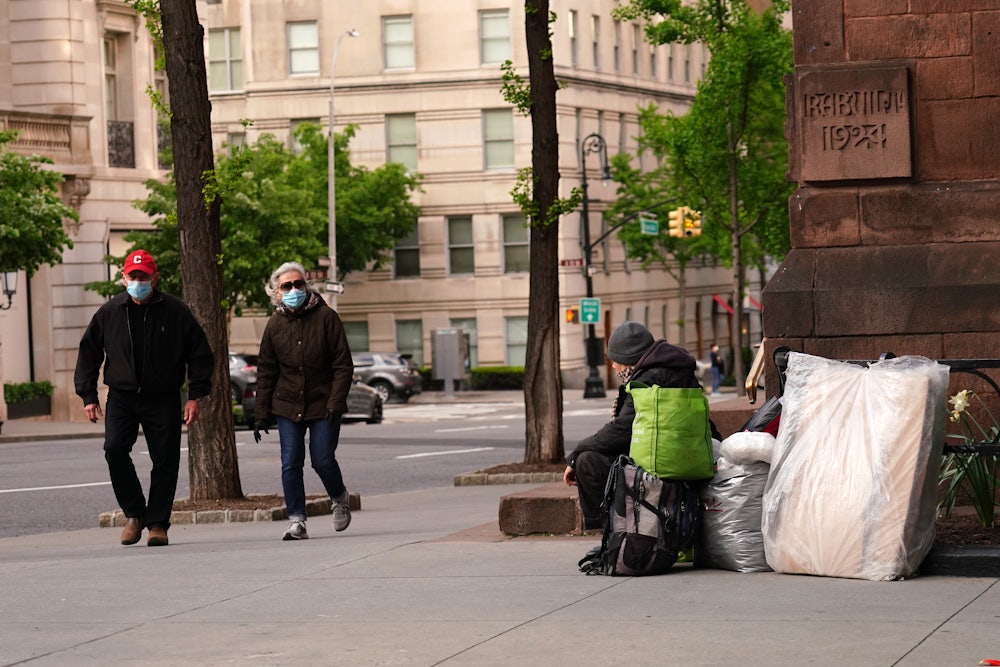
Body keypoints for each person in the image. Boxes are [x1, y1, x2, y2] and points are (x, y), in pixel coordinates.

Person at [75, 249, 213, 547]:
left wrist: (195, 395)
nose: (139, 281)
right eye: (133, 276)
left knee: (165, 459)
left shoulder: (176, 311)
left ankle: (158, 524)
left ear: (155, 277)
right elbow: (88, 353)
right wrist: (88, 395)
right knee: (114, 449)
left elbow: (200, 354)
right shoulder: (110, 312)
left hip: (162, 397)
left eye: (144, 277)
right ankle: (135, 514)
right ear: (124, 278)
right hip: (122, 396)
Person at [563, 321, 716, 530]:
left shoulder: (644, 381)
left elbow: (621, 432)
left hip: (656, 467)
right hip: (691, 461)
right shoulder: (680, 371)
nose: (614, 367)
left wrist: (576, 454)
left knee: (587, 461)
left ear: (627, 359)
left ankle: (609, 533)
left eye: (615, 361)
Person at [253, 261, 355, 541]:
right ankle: (297, 520)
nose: (294, 289)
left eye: (299, 284)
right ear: (277, 292)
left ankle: (339, 496)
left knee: (322, 460)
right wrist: (261, 412)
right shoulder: (274, 325)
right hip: (287, 404)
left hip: (323, 403)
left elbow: (343, 366)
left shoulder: (326, 318)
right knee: (290, 463)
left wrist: (336, 403)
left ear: (306, 286)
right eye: (287, 286)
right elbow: (266, 370)